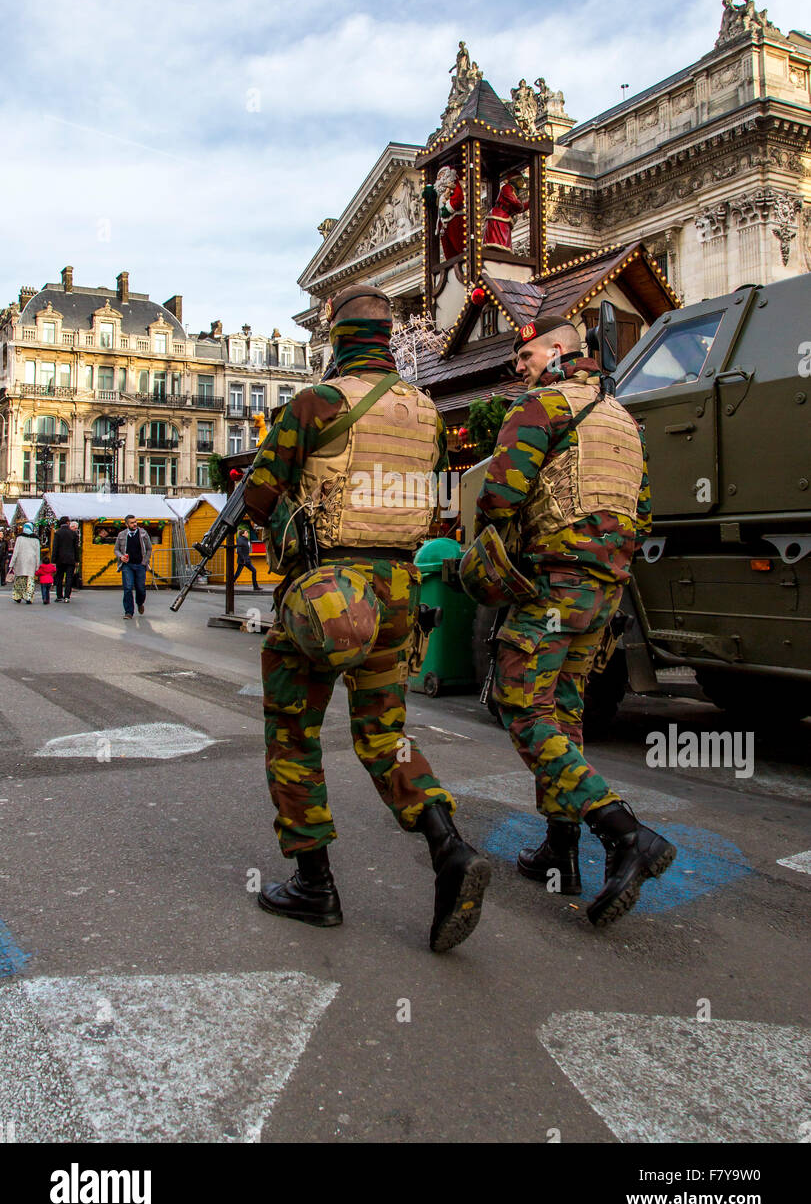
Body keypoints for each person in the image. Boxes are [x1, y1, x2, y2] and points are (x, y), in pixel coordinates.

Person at [243, 282, 490, 953]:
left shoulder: (315, 402)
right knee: (384, 736)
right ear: (385, 336)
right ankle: (449, 848)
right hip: (400, 592)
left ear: (335, 332)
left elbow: (262, 496)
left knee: (293, 734)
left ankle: (313, 884)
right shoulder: (425, 410)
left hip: (329, 591)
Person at [460, 314, 675, 926]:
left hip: (553, 587)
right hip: (606, 591)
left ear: (556, 350)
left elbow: (498, 495)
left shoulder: (541, 408)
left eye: (525, 355)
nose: (518, 367)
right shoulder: (625, 421)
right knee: (565, 710)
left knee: (522, 706)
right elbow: (646, 511)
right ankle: (561, 849)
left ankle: (623, 831)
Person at [114, 514, 152, 620]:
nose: (135, 524)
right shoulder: (121, 535)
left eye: (135, 522)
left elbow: (149, 548)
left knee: (140, 588)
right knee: (128, 588)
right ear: (127, 524)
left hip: (140, 565)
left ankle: (140, 603)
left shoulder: (143, 533)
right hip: (127, 565)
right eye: (132, 522)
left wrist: (145, 561)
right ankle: (128, 612)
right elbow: (116, 549)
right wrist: (121, 557)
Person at [8, 523, 41, 604]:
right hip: (31, 561)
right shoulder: (36, 539)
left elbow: (15, 552)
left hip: (20, 561)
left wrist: (11, 564)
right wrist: (37, 565)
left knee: (19, 579)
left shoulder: (20, 538)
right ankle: (28, 596)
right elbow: (38, 553)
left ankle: (17, 596)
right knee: (30, 579)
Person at [51, 515, 80, 602]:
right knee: (69, 578)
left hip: (60, 559)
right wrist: (77, 559)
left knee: (59, 577)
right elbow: (76, 548)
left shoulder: (58, 533)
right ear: (67, 523)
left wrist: (53, 560)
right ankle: (67, 596)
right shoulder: (73, 533)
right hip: (71, 559)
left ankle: (59, 596)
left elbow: (55, 547)